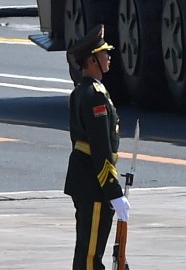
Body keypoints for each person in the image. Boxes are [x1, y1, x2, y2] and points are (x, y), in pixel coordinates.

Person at [63, 24, 130, 270]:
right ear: (92, 60)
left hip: (86, 182)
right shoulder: (94, 96)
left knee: (87, 253)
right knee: (91, 258)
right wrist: (113, 191)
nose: (108, 57)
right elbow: (100, 149)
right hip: (94, 186)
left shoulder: (82, 92)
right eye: (104, 53)